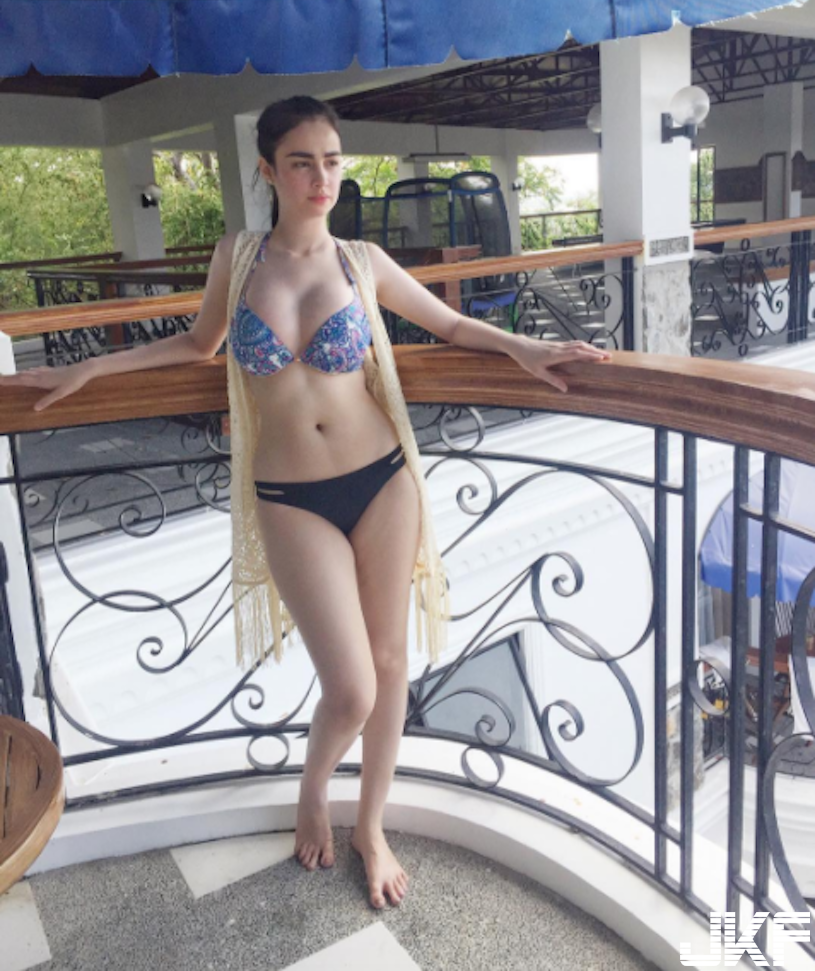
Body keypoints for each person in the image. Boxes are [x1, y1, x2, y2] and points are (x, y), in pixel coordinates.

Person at [0, 95, 610, 909]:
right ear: (267, 169)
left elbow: (450, 327)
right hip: (290, 494)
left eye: (331, 160)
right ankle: (314, 787)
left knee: (389, 666)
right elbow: (199, 343)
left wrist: (527, 347)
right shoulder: (239, 256)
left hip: (382, 477)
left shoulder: (361, 262)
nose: (321, 178)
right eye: (301, 162)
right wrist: (90, 368)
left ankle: (371, 826)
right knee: (350, 686)